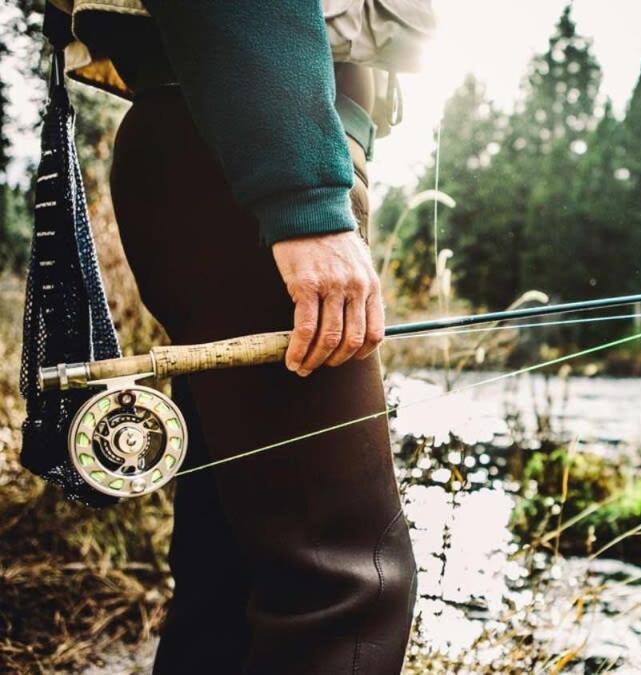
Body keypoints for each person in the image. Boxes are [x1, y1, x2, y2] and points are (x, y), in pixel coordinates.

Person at [42, 1, 434, 672]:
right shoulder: (284, 189)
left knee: (232, 577)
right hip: (247, 165)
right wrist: (306, 204)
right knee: (344, 588)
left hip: (232, 152)